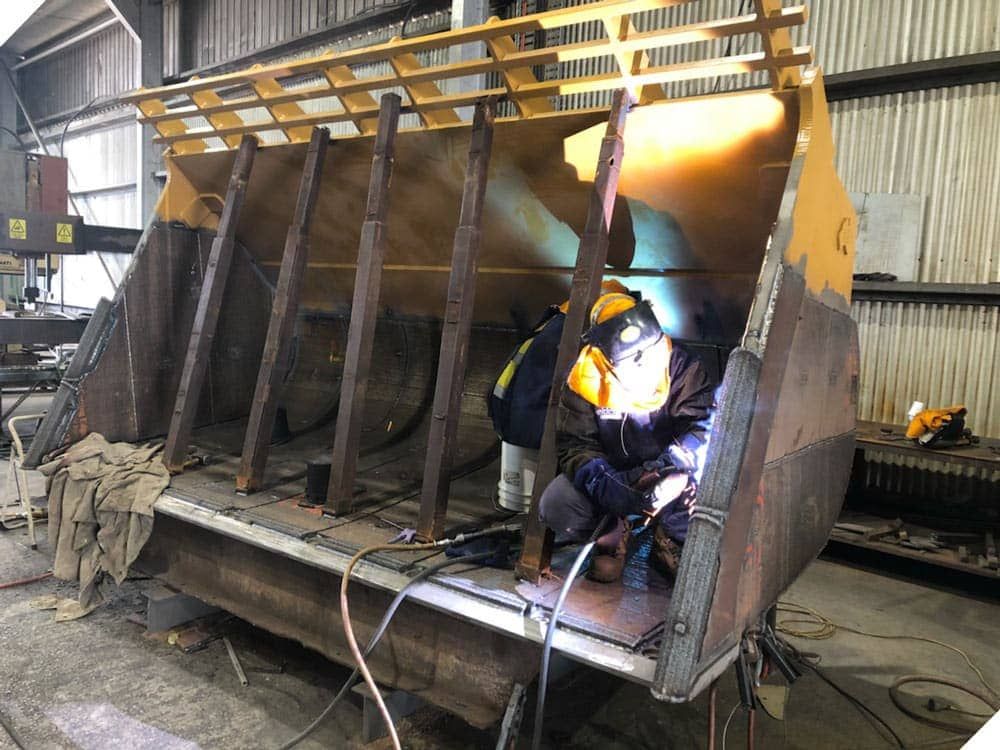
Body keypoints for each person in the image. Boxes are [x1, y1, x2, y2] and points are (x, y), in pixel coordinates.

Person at [538, 289, 715, 583]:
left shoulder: (682, 366)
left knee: (708, 491)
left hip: (669, 473)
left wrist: (674, 472)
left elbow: (701, 427)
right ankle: (612, 535)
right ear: (606, 362)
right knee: (558, 504)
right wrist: (608, 487)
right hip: (617, 475)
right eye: (635, 362)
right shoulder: (585, 380)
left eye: (650, 357)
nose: (646, 367)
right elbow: (576, 445)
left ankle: (667, 538)